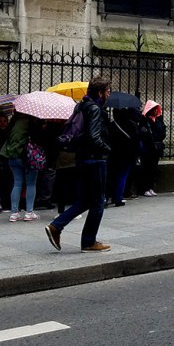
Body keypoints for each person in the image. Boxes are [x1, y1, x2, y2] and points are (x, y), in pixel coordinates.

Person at [44, 75, 113, 252]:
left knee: (85, 200)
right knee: (98, 202)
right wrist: (107, 149)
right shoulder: (95, 109)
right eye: (108, 91)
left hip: (81, 158)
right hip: (95, 159)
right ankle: (89, 242)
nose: (109, 95)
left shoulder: (81, 105)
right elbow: (94, 136)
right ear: (100, 92)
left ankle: (56, 226)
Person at [0, 113, 40, 222]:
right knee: (31, 183)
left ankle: (14, 213)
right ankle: (29, 212)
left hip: (12, 156)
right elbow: (36, 138)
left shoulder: (13, 123)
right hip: (27, 157)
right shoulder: (30, 123)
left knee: (17, 183)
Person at [108, 106, 139, 206]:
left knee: (112, 176)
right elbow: (136, 140)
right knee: (122, 176)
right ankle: (118, 198)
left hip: (113, 154)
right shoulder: (131, 124)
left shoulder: (112, 125)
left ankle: (110, 196)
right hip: (127, 154)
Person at [137, 101, 165, 196]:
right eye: (153, 109)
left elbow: (162, 132)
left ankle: (150, 187)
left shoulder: (158, 119)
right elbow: (143, 133)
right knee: (146, 169)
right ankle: (145, 188)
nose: (155, 111)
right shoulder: (144, 120)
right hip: (147, 148)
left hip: (156, 148)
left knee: (153, 169)